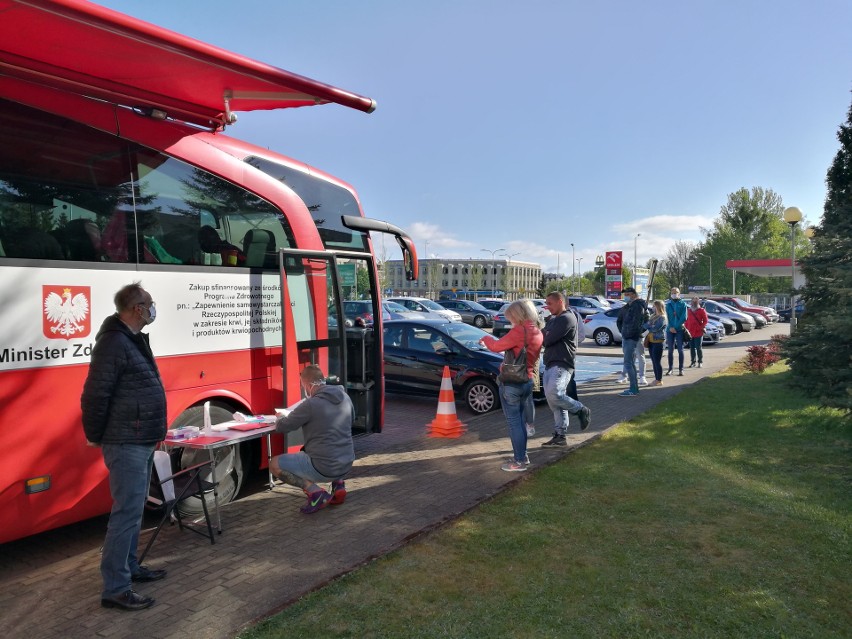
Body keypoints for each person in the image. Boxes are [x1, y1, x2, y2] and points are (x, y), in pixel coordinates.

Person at [81, 283, 167, 611]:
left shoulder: (131, 339)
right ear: (136, 309)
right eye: (149, 302)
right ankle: (116, 588)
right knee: (125, 514)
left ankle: (130, 568)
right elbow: (95, 393)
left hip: (140, 437)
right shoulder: (115, 342)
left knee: (133, 512)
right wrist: (95, 433)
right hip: (126, 441)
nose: (153, 307)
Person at [271, 365, 355, 514]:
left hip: (324, 467)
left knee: (274, 464)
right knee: (328, 447)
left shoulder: (310, 404)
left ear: (308, 385)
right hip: (347, 462)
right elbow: (351, 420)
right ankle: (339, 485)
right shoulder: (345, 397)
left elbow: (283, 427)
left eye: (303, 385)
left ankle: (316, 493)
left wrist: (280, 417)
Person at [480, 300, 544, 471]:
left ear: (518, 315)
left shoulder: (519, 331)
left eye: (511, 317)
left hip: (511, 384)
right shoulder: (537, 331)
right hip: (527, 380)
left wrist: (485, 338)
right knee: (521, 422)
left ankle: (519, 461)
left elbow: (495, 346)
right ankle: (522, 455)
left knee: (514, 423)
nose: (510, 321)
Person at [539, 292, 592, 447]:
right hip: (550, 362)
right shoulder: (554, 319)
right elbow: (544, 335)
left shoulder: (567, 318)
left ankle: (581, 409)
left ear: (560, 302)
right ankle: (560, 436)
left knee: (555, 393)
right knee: (554, 402)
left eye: (550, 303)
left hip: (561, 363)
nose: (547, 307)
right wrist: (545, 332)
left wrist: (545, 333)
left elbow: (547, 339)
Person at [615, 287, 648, 397]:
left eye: (628, 294)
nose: (626, 296)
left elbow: (638, 323)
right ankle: (634, 387)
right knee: (630, 363)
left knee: (628, 363)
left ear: (633, 295)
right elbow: (620, 321)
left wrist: (633, 334)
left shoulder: (637, 306)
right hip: (627, 336)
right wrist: (623, 331)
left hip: (631, 337)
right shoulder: (627, 307)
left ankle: (633, 389)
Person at [643, 300, 668, 386]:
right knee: (653, 361)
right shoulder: (653, 316)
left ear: (658, 307)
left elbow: (655, 328)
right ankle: (656, 379)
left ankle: (659, 379)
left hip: (658, 341)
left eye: (654, 306)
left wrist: (650, 326)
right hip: (651, 341)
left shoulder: (662, 318)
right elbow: (645, 325)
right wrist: (650, 326)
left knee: (657, 361)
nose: (653, 307)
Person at [665, 287, 688, 376]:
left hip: (679, 329)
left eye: (676, 292)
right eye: (673, 292)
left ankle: (681, 369)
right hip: (669, 330)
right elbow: (666, 317)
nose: (674, 294)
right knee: (670, 350)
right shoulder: (668, 304)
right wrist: (670, 327)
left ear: (679, 293)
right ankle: (670, 369)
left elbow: (684, 317)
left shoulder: (683, 304)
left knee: (680, 349)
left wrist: (675, 326)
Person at [685, 296, 709, 368]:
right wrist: (686, 328)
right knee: (691, 348)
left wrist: (701, 327)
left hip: (698, 332)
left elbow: (705, 320)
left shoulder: (701, 310)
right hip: (690, 332)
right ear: (691, 301)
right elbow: (686, 320)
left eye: (696, 301)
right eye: (693, 300)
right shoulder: (688, 310)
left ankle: (700, 361)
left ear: (698, 302)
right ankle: (693, 362)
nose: (694, 302)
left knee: (698, 347)